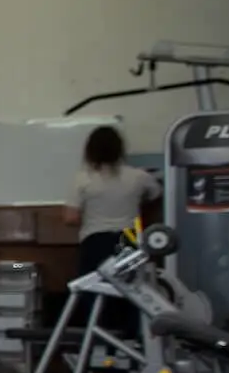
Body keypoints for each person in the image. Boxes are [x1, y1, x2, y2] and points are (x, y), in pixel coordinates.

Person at [64, 124, 163, 342]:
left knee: (94, 298)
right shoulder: (138, 177)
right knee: (133, 298)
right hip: (128, 242)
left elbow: (70, 218)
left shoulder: (83, 179)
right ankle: (133, 353)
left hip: (95, 242)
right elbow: (157, 194)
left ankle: (101, 358)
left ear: (90, 151)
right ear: (120, 149)